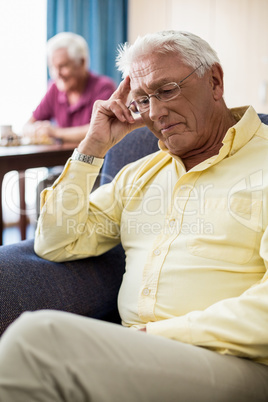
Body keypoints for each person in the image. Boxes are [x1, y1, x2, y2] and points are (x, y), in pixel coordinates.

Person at [0, 30, 268, 401]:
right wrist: (92, 147)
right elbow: (56, 242)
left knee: (37, 342)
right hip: (135, 357)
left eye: (167, 89)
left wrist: (155, 337)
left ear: (215, 82)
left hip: (237, 363)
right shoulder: (139, 174)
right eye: (142, 100)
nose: (154, 113)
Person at [23, 32, 116, 144]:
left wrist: (55, 132)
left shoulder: (104, 87)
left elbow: (101, 130)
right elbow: (28, 125)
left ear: (81, 63)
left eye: (63, 66)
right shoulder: (54, 88)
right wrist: (36, 130)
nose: (57, 74)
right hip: (63, 159)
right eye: (53, 67)